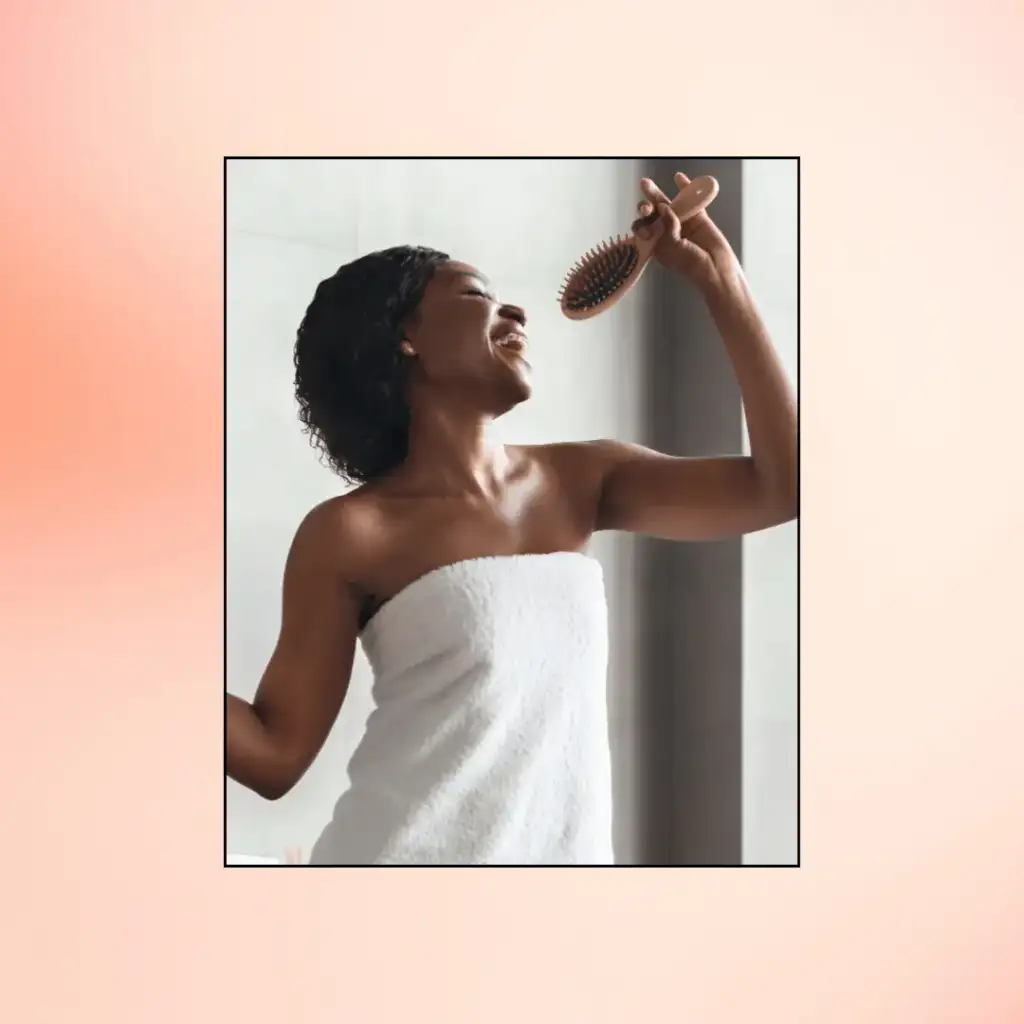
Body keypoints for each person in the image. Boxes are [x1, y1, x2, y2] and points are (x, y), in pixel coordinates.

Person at [226, 172, 798, 864]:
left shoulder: (581, 479)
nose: (516, 313)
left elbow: (783, 486)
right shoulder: (351, 532)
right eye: (476, 295)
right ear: (403, 337)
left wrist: (721, 283)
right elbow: (272, 755)